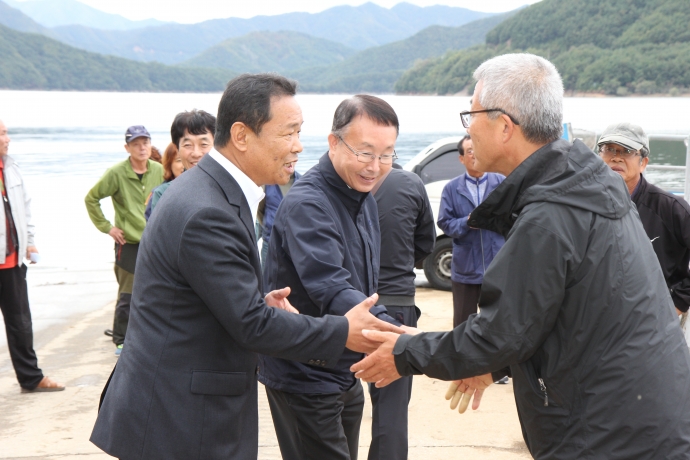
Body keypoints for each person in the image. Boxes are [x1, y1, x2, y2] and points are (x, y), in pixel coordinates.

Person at [351, 53, 690, 459]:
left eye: (472, 114)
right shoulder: (587, 185)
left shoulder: (552, 215)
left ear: (504, 126)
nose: (468, 128)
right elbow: (551, 317)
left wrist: (406, 352)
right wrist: (490, 362)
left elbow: (500, 335)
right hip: (643, 414)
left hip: (612, 433)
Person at [89, 74, 403, 460]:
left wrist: (257, 300)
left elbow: (214, 302)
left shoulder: (213, 193)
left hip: (185, 410)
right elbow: (251, 325)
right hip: (179, 420)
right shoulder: (207, 210)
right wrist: (343, 331)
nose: (298, 145)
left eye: (299, 132)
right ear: (241, 135)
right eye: (288, 133)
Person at [259, 95, 405, 460]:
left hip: (344, 368)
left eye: (387, 154)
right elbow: (332, 286)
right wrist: (405, 338)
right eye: (365, 153)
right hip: (304, 373)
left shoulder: (362, 196)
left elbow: (365, 287)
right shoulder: (309, 203)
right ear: (334, 143)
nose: (375, 167)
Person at [368, 162, 435, 460]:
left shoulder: (337, 180)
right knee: (391, 409)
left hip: (343, 302)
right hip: (395, 302)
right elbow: (425, 242)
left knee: (335, 399)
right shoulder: (411, 184)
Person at [84, 125, 164, 355]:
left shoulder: (159, 170)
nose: (142, 148)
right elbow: (91, 199)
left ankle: (150, 336)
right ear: (127, 148)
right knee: (127, 294)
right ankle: (120, 339)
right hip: (128, 244)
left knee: (156, 291)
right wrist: (108, 228)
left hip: (155, 242)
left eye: (145, 143)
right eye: (136, 144)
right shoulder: (116, 172)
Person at [597, 122, 690, 317]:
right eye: (609, 149)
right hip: (599, 317)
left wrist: (680, 302)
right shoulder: (583, 204)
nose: (616, 157)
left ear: (644, 162)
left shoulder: (671, 209)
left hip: (655, 317)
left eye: (627, 151)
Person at [0, 120, 63, 393]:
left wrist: (30, 242)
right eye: (2, 134)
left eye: (6, 133)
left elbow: (24, 208)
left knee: (21, 323)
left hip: (12, 260)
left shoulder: (11, 168)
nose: (8, 139)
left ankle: (31, 378)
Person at [437, 135, 504, 328]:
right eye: (469, 151)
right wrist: (466, 222)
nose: (474, 154)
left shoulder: (501, 183)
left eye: (477, 149)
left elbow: (514, 217)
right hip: (466, 269)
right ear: (461, 158)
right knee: (462, 325)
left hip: (497, 267)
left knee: (497, 324)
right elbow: (445, 223)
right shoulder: (451, 188)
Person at [145, 109, 216, 219]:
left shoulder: (231, 187)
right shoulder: (164, 194)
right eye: (188, 145)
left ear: (217, 147)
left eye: (204, 144)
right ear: (177, 148)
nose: (196, 153)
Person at [257, 168, 299, 268]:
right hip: (269, 243)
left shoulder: (302, 182)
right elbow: (260, 211)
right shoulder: (268, 183)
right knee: (267, 275)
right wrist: (270, 226)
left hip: (294, 244)